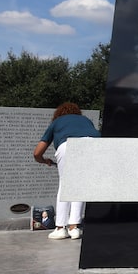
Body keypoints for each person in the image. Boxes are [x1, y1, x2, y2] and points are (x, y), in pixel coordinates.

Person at [33, 103, 100, 240]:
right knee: (81, 186)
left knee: (66, 185)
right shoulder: (85, 120)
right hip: (94, 146)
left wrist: (45, 161)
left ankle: (60, 228)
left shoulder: (57, 122)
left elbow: (37, 153)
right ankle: (74, 227)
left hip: (68, 146)